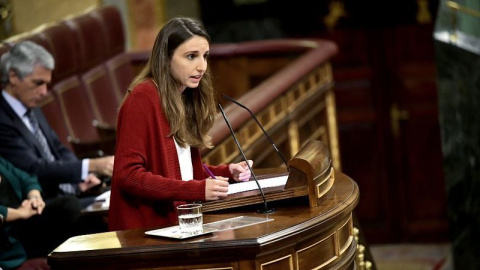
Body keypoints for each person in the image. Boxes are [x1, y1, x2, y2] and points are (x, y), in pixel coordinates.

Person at [109, 17, 253, 231]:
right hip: (145, 232)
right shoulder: (142, 98)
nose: (201, 66)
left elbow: (179, 172)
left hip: (178, 225)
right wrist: (198, 190)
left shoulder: (184, 96)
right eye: (191, 57)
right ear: (165, 58)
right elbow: (128, 175)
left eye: (205, 56)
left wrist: (226, 172)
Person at [0, 41, 114, 205]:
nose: (44, 92)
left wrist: (82, 177)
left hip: (69, 192)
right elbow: (34, 169)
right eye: (38, 83)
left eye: (47, 84)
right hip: (43, 204)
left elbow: (58, 149)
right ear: (13, 77)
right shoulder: (2, 119)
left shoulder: (32, 106)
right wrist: (90, 165)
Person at [0, 155, 82, 270]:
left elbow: (27, 178)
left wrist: (34, 197)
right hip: (7, 237)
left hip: (26, 221)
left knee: (70, 209)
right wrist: (19, 213)